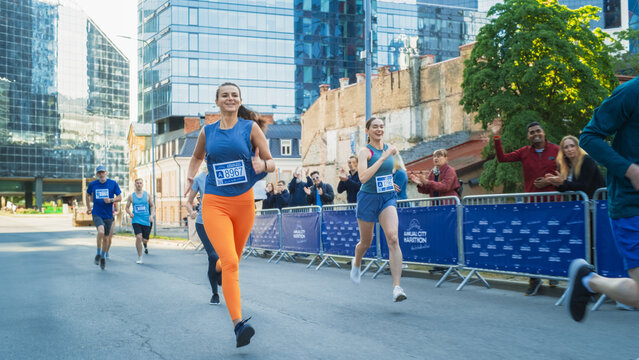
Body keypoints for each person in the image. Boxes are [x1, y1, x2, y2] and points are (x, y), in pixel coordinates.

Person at [184, 82, 274, 347]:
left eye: (234, 95)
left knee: (231, 259)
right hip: (215, 204)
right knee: (233, 263)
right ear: (217, 102)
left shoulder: (250, 128)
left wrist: (262, 164)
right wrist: (190, 177)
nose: (230, 98)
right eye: (225, 95)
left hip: (244, 203)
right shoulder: (207, 131)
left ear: (240, 100)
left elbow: (271, 162)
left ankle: (220, 266)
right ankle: (238, 325)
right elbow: (197, 157)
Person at [566, 77, 639, 322]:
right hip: (633, 206)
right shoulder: (631, 92)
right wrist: (631, 170)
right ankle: (590, 280)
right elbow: (589, 137)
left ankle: (588, 280)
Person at [492, 121, 559, 295]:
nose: (535, 134)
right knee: (533, 242)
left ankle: (554, 273)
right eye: (531, 132)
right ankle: (534, 279)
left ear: (544, 133)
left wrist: (550, 180)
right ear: (528, 136)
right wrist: (497, 136)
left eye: (538, 131)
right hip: (532, 205)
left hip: (554, 204)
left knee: (553, 239)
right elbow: (502, 158)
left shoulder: (557, 150)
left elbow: (567, 173)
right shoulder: (524, 152)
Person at [350, 117, 407, 302]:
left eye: (382, 126)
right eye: (375, 127)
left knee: (393, 238)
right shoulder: (364, 152)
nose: (379, 129)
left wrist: (391, 183)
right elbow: (363, 177)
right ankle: (357, 262)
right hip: (367, 199)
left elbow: (397, 170)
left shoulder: (391, 149)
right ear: (367, 131)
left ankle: (397, 287)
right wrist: (382, 157)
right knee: (365, 243)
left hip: (387, 197)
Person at [187, 169, 222, 305]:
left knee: (219, 258)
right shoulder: (199, 179)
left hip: (220, 222)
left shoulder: (222, 173)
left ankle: (219, 275)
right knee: (213, 256)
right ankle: (215, 293)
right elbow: (189, 202)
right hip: (202, 223)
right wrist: (191, 212)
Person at [86, 166, 122, 270]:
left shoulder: (113, 183)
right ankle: (98, 253)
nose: (101, 174)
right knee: (100, 232)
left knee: (106, 238)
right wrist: (88, 207)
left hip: (108, 215)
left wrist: (111, 200)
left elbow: (120, 197)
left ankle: (103, 256)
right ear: (97, 174)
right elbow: (87, 194)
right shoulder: (93, 184)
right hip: (97, 213)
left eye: (103, 172)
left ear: (106, 173)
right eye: (99, 173)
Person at [124, 178, 155, 264]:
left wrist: (151, 215)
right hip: (136, 220)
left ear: (142, 184)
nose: (139, 185)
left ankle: (145, 245)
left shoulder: (148, 195)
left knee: (144, 240)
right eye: (137, 183)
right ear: (135, 184)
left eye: (140, 183)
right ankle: (140, 257)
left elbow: (152, 206)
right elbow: (126, 207)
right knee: (138, 237)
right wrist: (130, 213)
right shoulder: (131, 196)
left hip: (146, 220)